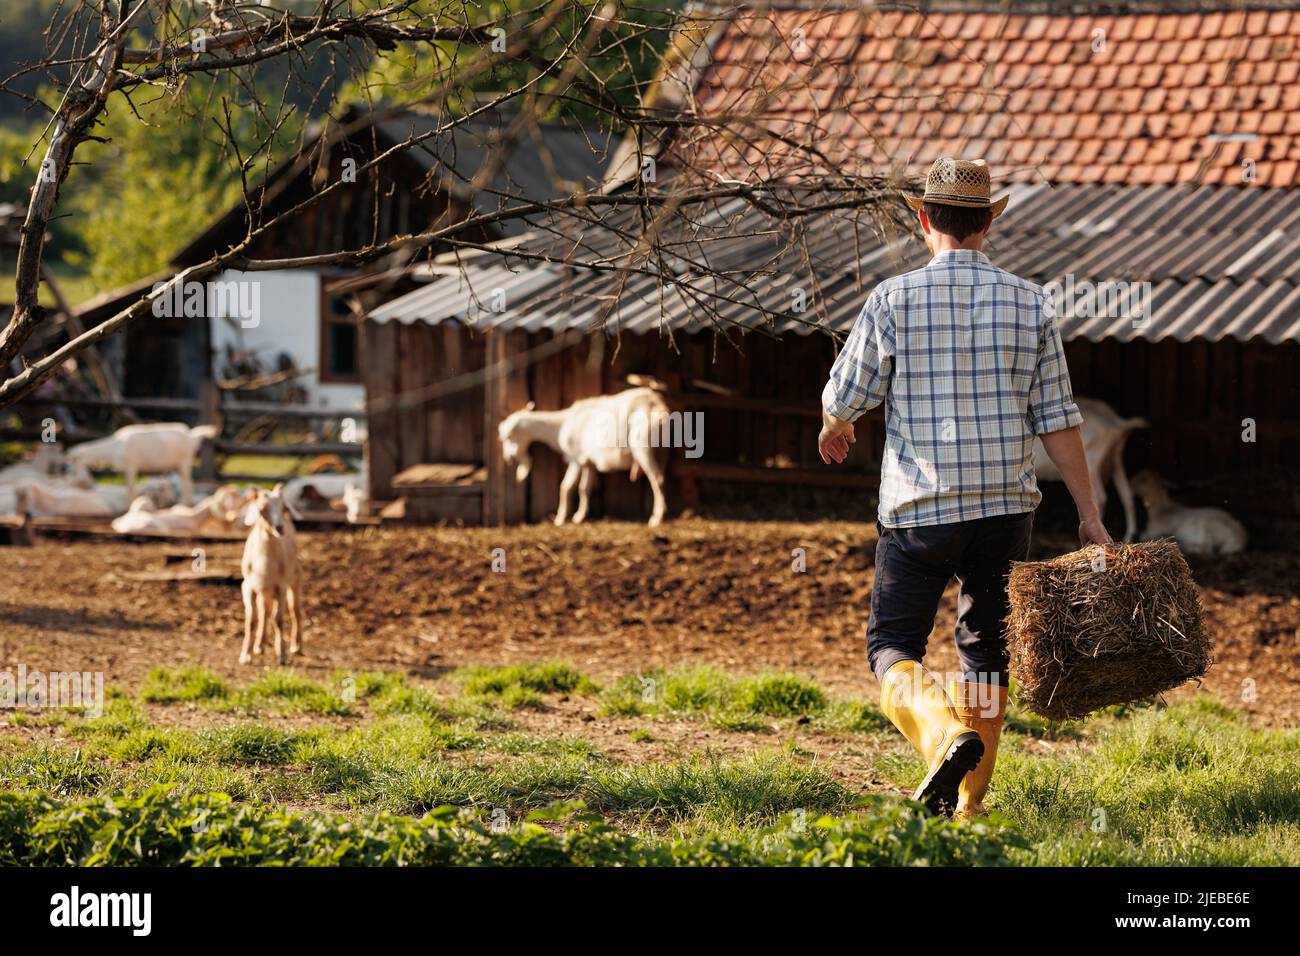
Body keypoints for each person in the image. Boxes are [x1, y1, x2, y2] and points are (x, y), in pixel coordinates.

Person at [818, 157, 1111, 817]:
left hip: (919, 510)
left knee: (891, 643)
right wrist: (1088, 514)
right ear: (986, 225)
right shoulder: (1030, 301)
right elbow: (1059, 419)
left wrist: (832, 428)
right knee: (985, 653)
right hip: (1005, 511)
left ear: (925, 221)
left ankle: (942, 735)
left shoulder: (891, 299)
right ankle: (971, 810)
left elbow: (844, 396)